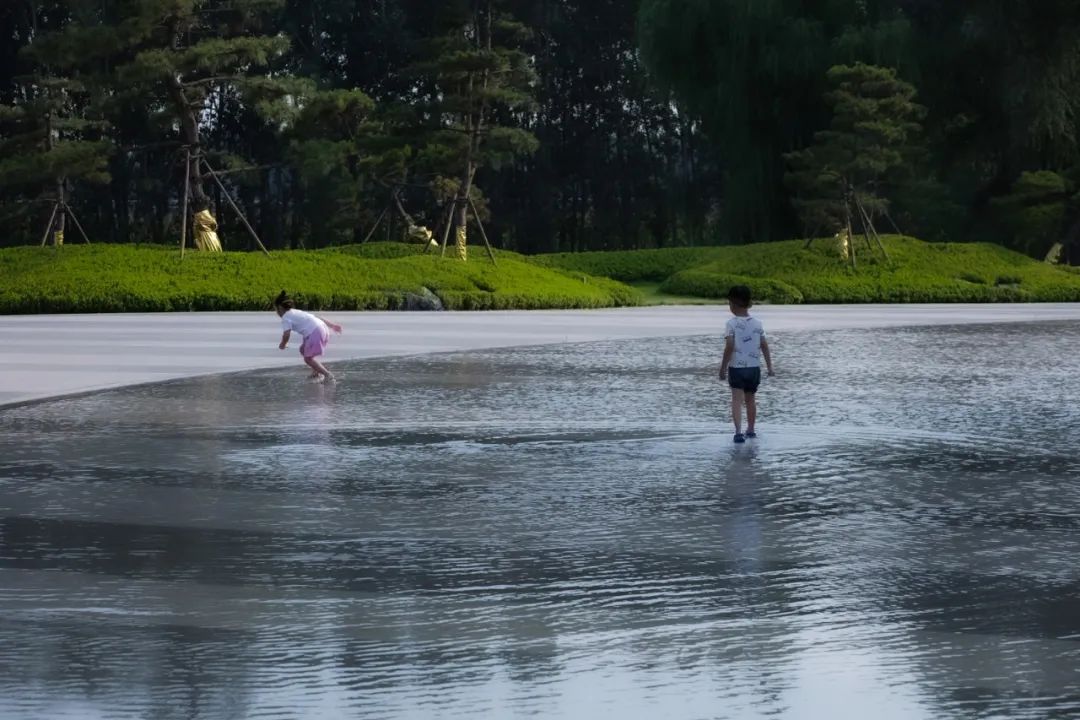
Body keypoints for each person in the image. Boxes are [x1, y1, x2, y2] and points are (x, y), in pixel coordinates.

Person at [719, 285, 774, 443]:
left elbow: (729, 347)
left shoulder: (731, 324)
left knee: (737, 399)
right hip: (754, 368)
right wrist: (770, 366)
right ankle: (750, 430)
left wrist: (723, 368)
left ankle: (738, 432)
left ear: (734, 304)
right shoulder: (757, 323)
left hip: (737, 368)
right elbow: (764, 345)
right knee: (751, 399)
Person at [274, 290, 343, 382]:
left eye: (276, 310)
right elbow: (317, 318)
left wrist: (283, 344)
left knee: (307, 359)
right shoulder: (295, 312)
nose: (276, 313)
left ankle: (327, 374)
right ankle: (316, 371)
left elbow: (286, 334)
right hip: (323, 329)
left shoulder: (286, 318)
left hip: (315, 333)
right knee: (303, 349)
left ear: (280, 308)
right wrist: (332, 325)